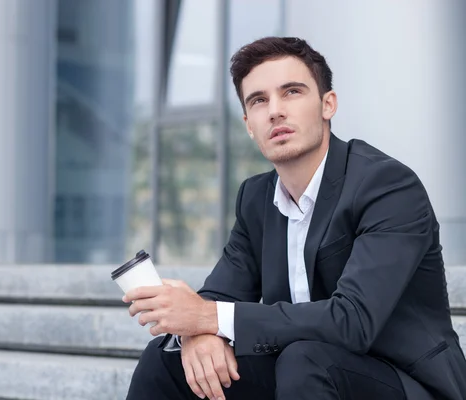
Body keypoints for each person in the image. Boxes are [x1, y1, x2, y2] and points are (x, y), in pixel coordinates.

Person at [123, 37, 466, 400]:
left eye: (292, 92)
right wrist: (196, 333)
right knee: (166, 360)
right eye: (259, 100)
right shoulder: (256, 198)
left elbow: (353, 321)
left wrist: (208, 318)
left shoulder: (387, 187)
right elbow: (219, 294)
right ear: (248, 124)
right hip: (304, 374)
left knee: (304, 360)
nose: (275, 111)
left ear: (327, 104)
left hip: (407, 382)